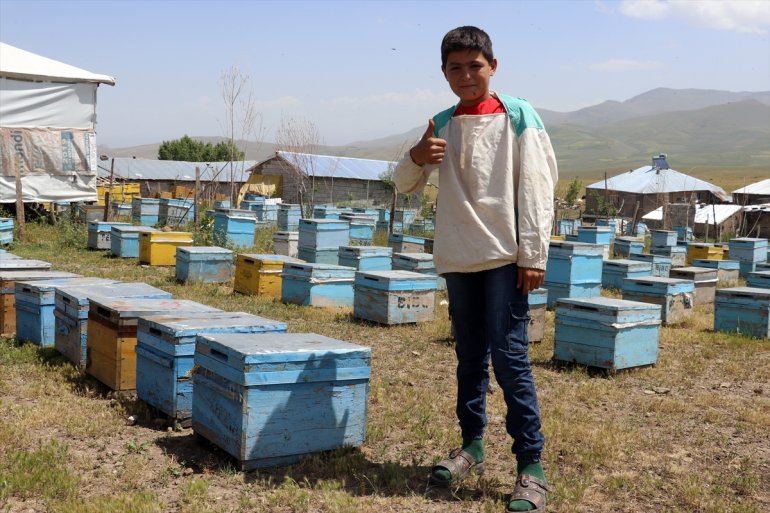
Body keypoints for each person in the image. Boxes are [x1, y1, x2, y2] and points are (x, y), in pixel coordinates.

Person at [393, 26, 557, 513]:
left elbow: (538, 187)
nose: (466, 75)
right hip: (459, 258)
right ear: (444, 73)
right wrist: (417, 157)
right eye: (455, 68)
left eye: (474, 66)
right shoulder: (440, 122)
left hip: (506, 258)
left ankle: (531, 467)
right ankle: (471, 446)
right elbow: (403, 184)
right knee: (468, 358)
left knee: (509, 360)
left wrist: (533, 254)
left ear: (493, 66)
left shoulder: (518, 115)